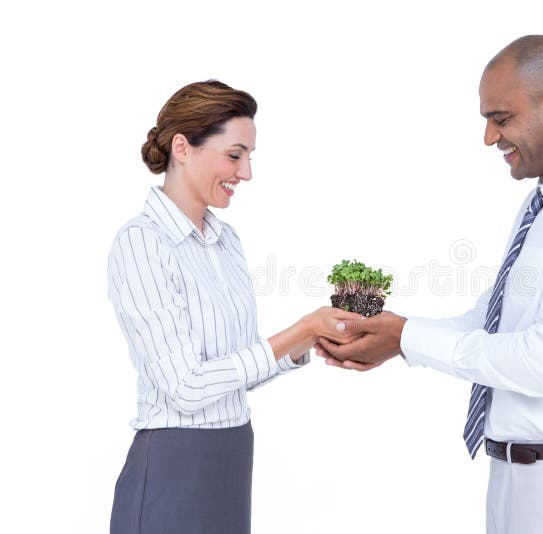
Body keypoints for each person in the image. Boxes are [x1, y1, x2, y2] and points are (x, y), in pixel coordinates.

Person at [317, 35, 543, 534]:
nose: (488, 138)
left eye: (500, 118)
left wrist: (407, 337)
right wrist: (397, 338)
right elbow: (493, 319)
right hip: (516, 480)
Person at [107, 80, 361, 534]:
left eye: (249, 157)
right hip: (172, 465)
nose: (245, 173)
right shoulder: (142, 243)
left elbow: (234, 370)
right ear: (182, 148)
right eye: (234, 154)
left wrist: (308, 340)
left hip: (232, 456)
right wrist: (298, 330)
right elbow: (185, 386)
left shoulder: (225, 242)